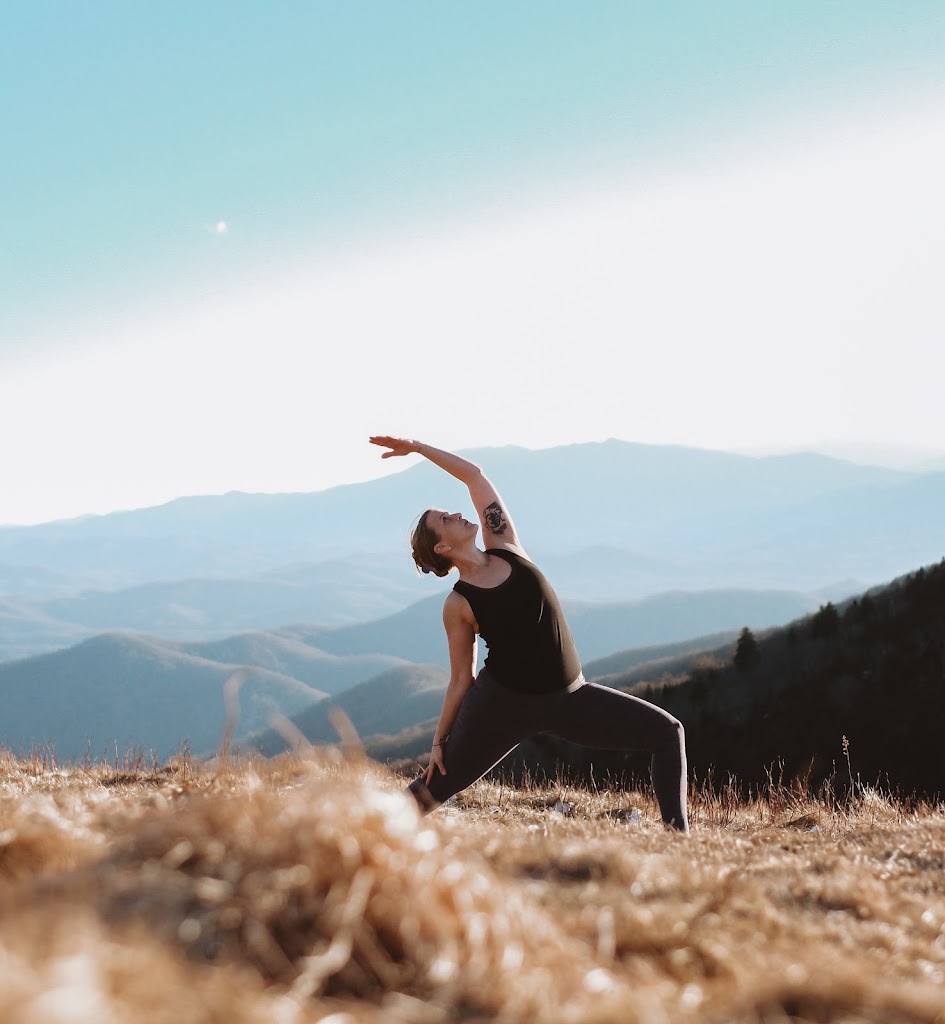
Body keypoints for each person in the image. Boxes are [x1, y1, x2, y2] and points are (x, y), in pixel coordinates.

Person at [369, 435, 689, 832]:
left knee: (667, 731)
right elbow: (460, 679)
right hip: (502, 706)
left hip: (571, 698)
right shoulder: (459, 604)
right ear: (441, 549)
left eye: (450, 512)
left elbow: (474, 476)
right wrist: (439, 741)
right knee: (437, 787)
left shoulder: (505, 545)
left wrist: (418, 448)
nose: (456, 514)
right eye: (445, 520)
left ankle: (678, 836)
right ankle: (361, 836)